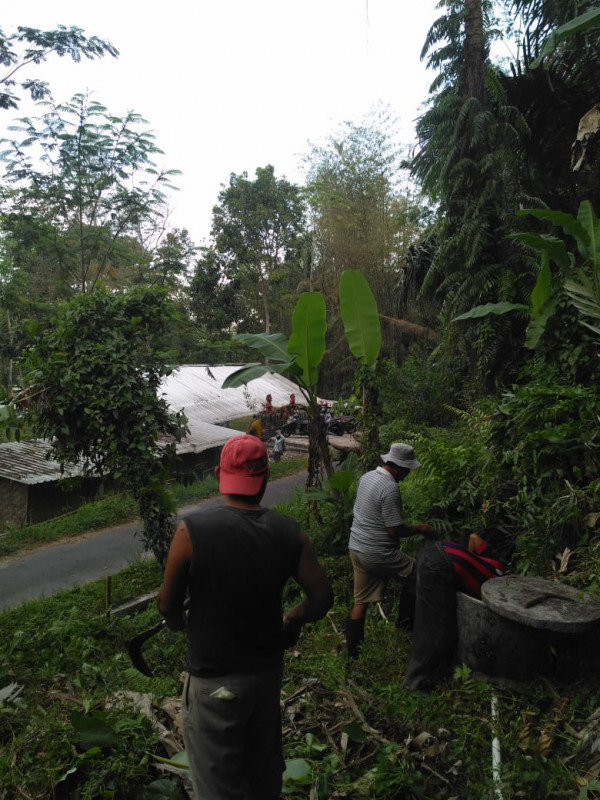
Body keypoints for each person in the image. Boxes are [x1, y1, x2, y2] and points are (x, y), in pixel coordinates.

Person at [157, 434, 333, 800]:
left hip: (213, 686)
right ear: (266, 478)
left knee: (219, 787)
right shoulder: (291, 533)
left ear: (221, 474)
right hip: (265, 678)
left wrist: (178, 623)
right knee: (261, 778)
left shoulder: (191, 532)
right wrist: (292, 619)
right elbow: (320, 598)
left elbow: (167, 605)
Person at [346, 443, 434, 659]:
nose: (407, 474)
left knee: (360, 602)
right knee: (417, 577)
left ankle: (353, 656)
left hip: (356, 547)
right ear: (399, 467)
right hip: (378, 553)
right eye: (407, 470)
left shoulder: (367, 477)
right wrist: (422, 529)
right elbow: (394, 530)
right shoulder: (389, 488)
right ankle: (404, 629)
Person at [402, 533, 505, 692]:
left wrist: (467, 559)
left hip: (433, 550)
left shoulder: (491, 562)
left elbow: (473, 537)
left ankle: (428, 674)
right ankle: (415, 686)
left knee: (427, 620)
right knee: (438, 629)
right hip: (440, 564)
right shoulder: (497, 583)